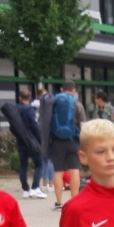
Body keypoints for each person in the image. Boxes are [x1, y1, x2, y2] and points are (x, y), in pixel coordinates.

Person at [41, 80, 86, 210]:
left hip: (56, 141)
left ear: (61, 89)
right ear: (74, 90)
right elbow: (84, 125)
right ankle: (75, 201)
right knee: (74, 170)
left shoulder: (53, 103)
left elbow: (46, 122)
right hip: (73, 141)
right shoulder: (77, 104)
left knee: (58, 172)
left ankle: (59, 202)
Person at [11, 88, 45, 199]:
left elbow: (12, 127)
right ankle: (35, 188)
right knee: (39, 164)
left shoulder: (15, 110)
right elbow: (35, 126)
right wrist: (40, 140)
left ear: (19, 98)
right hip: (32, 140)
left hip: (21, 141)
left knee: (23, 165)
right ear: (29, 98)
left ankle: (25, 189)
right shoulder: (30, 110)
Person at [36, 85, 54, 190]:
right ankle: (51, 184)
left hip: (38, 134)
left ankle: (44, 183)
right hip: (48, 133)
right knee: (50, 160)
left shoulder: (34, 105)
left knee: (44, 160)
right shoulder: (49, 104)